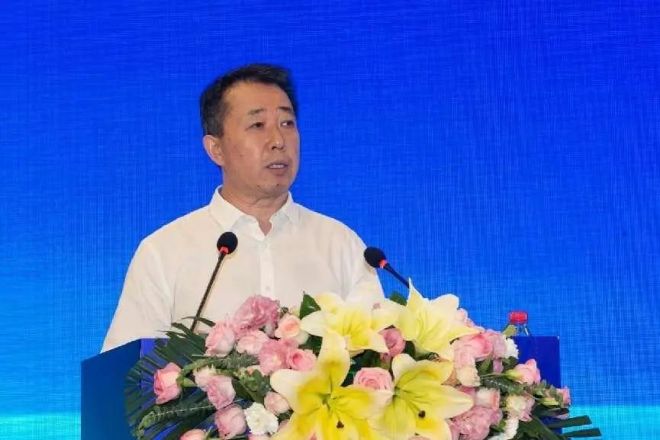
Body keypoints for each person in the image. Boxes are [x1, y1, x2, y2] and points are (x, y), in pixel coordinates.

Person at [102, 64, 383, 352]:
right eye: (257, 125)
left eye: (287, 123)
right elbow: (125, 371)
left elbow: (380, 356)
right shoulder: (164, 252)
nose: (278, 141)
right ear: (216, 149)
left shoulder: (340, 244)